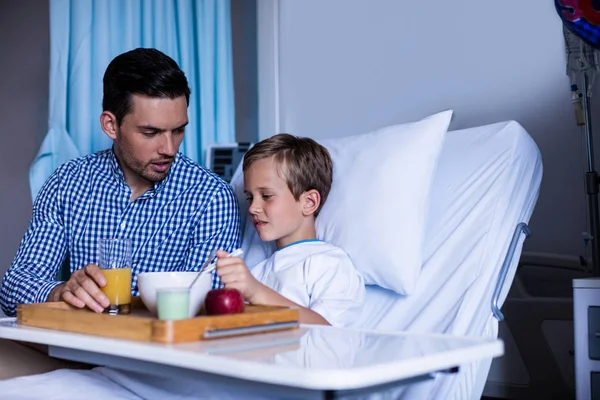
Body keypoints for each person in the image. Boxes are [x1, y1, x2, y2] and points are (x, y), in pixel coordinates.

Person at [0, 48, 240, 379]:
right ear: (111, 125)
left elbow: (199, 305)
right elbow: (15, 287)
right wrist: (59, 292)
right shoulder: (68, 183)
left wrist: (113, 304)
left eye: (178, 130)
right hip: (72, 354)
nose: (169, 148)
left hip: (156, 368)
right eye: (151, 132)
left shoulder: (211, 198)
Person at [215, 133, 365, 326]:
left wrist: (256, 292)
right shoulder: (259, 272)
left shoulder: (330, 264)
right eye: (250, 197)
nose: (252, 208)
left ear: (309, 202)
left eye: (266, 195)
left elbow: (330, 335)